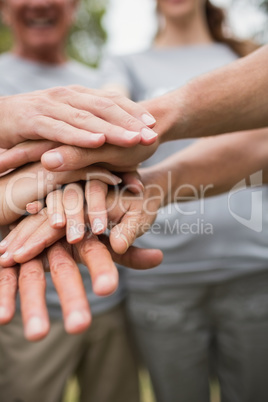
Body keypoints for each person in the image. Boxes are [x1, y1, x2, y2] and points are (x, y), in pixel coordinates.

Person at [99, 1, 268, 402]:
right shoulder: (125, 63)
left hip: (250, 268)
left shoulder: (245, 57)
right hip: (164, 280)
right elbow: (108, 106)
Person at [0, 1, 157, 401]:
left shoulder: (99, 88)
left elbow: (128, 174)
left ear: (74, 7)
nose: (38, 3)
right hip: (22, 308)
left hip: (110, 302)